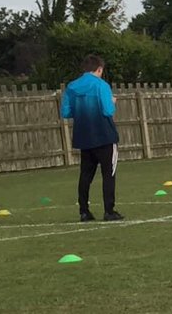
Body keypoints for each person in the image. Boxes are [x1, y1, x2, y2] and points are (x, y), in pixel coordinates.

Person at [61, 55, 124, 222]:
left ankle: (84, 211)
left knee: (85, 175)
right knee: (108, 173)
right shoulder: (101, 86)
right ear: (99, 69)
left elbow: (66, 113)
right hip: (104, 135)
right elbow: (107, 111)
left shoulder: (72, 87)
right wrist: (112, 101)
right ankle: (109, 210)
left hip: (84, 136)